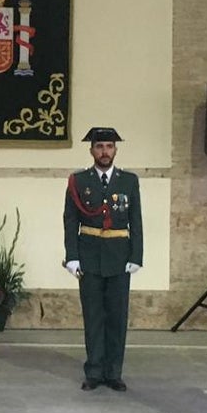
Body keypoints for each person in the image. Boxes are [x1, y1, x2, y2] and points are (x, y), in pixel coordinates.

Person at [62, 127, 143, 392]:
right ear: (91, 150)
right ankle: (94, 371)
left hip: (119, 257)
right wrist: (72, 256)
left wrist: (136, 255)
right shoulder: (79, 181)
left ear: (115, 150)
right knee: (94, 316)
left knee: (117, 317)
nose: (104, 151)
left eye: (109, 146)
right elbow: (70, 220)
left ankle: (114, 372)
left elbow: (136, 221)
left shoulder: (128, 181)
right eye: (100, 147)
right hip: (89, 255)